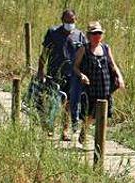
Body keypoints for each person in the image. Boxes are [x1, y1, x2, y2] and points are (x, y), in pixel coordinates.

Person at [74, 21, 124, 146]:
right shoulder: (83, 49)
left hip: (105, 85)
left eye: (99, 33)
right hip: (91, 86)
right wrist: (82, 75)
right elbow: (75, 67)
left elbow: (112, 64)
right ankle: (85, 130)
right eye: (94, 33)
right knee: (91, 114)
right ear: (89, 35)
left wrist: (120, 77)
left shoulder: (106, 48)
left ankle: (100, 142)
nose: (97, 36)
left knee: (104, 113)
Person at [36, 9, 84, 140]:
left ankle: (65, 130)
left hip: (71, 75)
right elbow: (45, 52)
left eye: (72, 21)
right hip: (54, 74)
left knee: (68, 103)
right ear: (62, 21)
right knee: (53, 101)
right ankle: (49, 126)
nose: (70, 23)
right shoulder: (53, 33)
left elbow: (84, 55)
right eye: (67, 21)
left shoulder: (79, 35)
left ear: (76, 20)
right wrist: (41, 70)